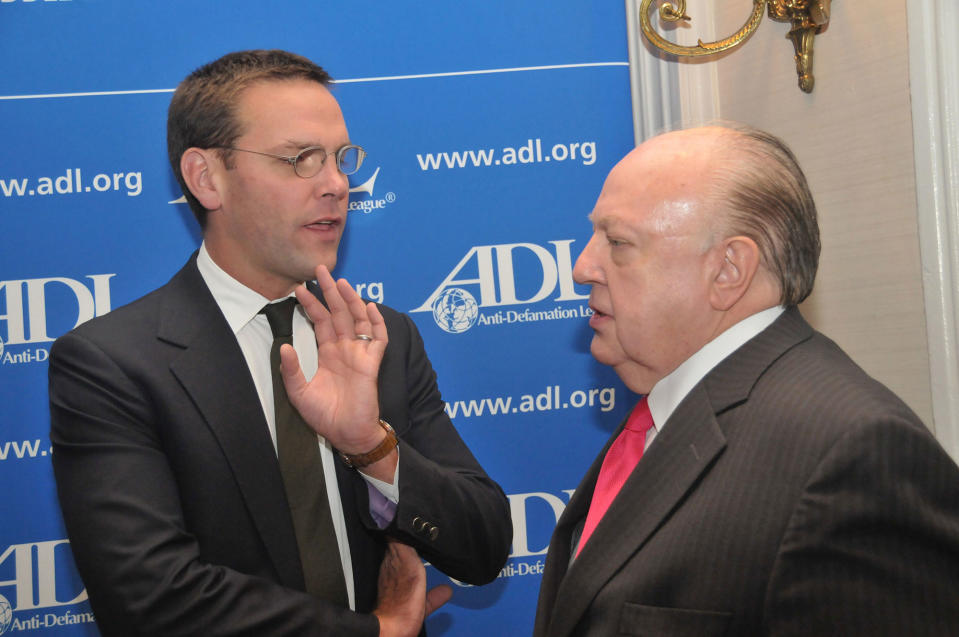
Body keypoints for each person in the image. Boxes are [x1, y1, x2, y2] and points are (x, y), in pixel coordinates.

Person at [49, 49, 511, 637]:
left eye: (342, 159)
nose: (338, 185)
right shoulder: (112, 364)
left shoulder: (379, 335)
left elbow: (485, 546)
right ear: (206, 178)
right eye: (300, 160)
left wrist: (371, 447)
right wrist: (379, 633)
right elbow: (149, 599)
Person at [533, 123, 959, 636]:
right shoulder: (665, 416)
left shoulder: (853, 454)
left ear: (728, 270)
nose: (581, 267)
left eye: (618, 242)